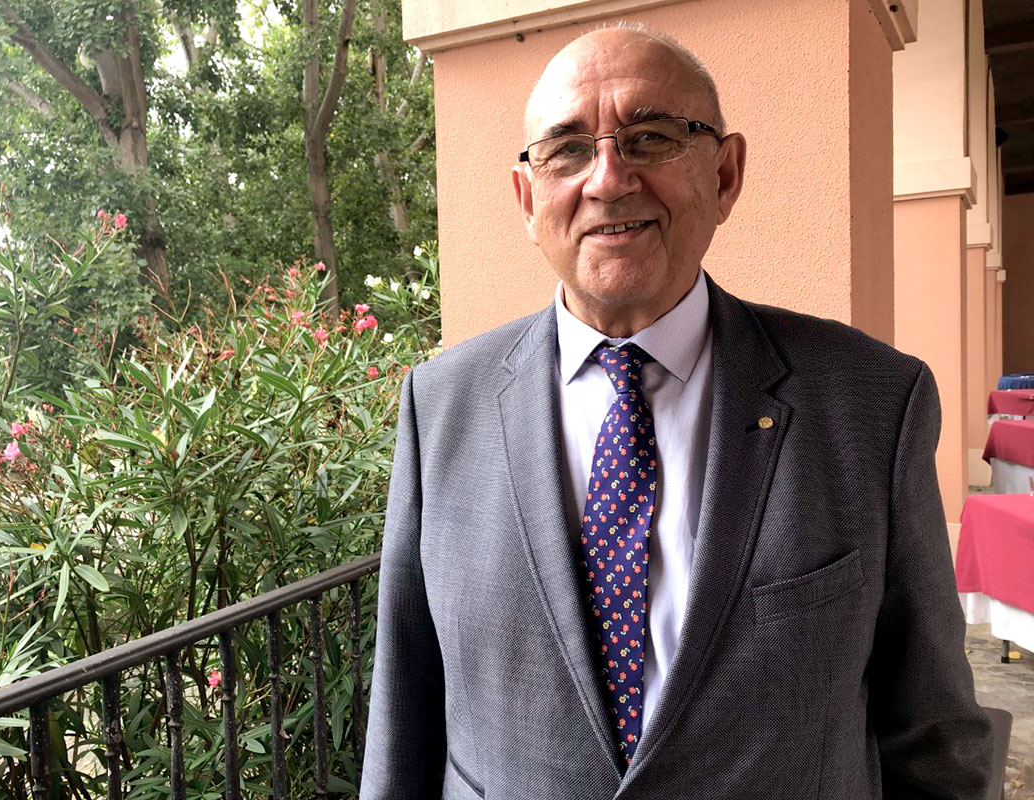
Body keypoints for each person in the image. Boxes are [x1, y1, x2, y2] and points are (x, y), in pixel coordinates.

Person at [360, 24, 994, 800]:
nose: (608, 180)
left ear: (725, 173)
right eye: (565, 150)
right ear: (528, 200)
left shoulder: (870, 404)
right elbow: (406, 716)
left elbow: (932, 735)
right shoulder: (440, 405)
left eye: (650, 138)